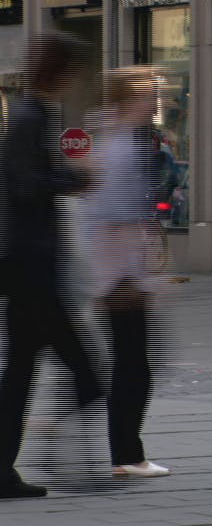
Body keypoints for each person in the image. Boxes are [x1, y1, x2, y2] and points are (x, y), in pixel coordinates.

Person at [0, 33, 102, 498]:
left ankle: (13, 466)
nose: (74, 81)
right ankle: (53, 452)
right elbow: (24, 188)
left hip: (32, 269)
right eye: (72, 72)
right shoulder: (28, 117)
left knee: (24, 372)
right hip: (31, 271)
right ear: (58, 73)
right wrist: (74, 177)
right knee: (81, 372)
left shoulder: (30, 114)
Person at [81, 66, 169, 477]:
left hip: (119, 274)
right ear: (128, 99)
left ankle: (127, 453)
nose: (155, 103)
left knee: (132, 362)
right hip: (119, 276)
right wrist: (128, 279)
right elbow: (109, 219)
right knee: (133, 365)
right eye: (148, 95)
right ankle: (127, 455)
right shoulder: (120, 148)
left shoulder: (119, 141)